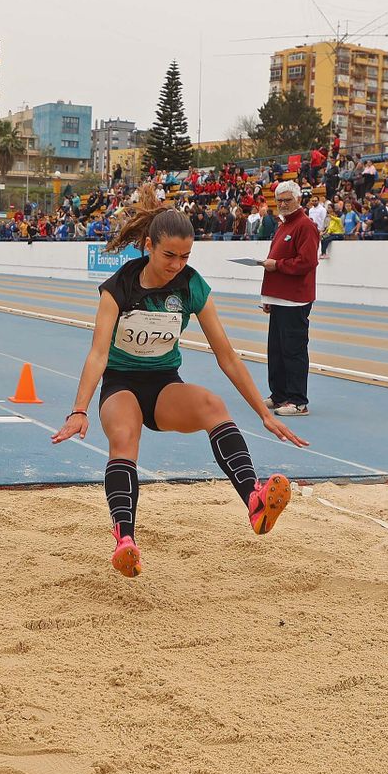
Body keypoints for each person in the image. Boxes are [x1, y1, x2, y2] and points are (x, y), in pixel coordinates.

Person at [49, 195, 308, 578]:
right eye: (170, 255)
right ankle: (125, 540)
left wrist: (262, 413)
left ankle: (253, 498)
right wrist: (79, 410)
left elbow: (227, 356)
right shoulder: (117, 288)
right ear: (149, 246)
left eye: (185, 257)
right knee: (124, 437)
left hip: (163, 385)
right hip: (121, 385)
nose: (177, 265)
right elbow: (98, 356)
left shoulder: (190, 286)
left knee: (212, 405)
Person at [259, 182, 318, 415]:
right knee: (276, 351)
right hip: (279, 298)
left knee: (293, 351)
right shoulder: (283, 226)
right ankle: (280, 394)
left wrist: (278, 265)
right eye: (279, 200)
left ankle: (298, 400)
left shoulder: (305, 226)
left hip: (295, 300)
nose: (283, 204)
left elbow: (307, 262)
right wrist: (269, 296)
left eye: (287, 200)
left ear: (298, 200)